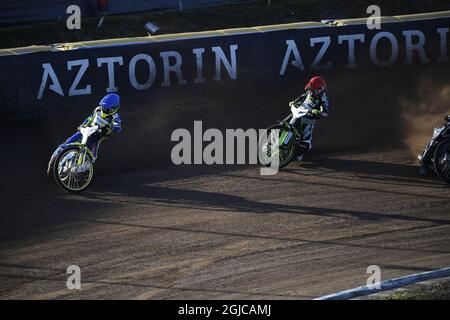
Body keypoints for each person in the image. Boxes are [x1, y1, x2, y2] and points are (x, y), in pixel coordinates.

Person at [47, 93, 122, 176]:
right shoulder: (98, 110)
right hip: (87, 131)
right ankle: (51, 165)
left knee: (92, 158)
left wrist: (109, 127)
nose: (103, 109)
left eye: (106, 108)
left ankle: (83, 172)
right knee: (64, 145)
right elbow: (90, 118)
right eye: (103, 107)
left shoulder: (115, 117)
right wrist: (84, 125)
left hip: (96, 137)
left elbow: (117, 127)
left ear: (113, 108)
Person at [289, 76, 330, 161]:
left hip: (308, 119)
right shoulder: (310, 92)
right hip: (300, 112)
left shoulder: (324, 99)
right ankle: (272, 140)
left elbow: (325, 111)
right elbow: (302, 97)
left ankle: (299, 152)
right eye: (310, 88)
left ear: (320, 89)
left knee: (305, 143)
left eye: (312, 89)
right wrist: (294, 102)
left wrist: (319, 112)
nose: (310, 91)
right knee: (284, 123)